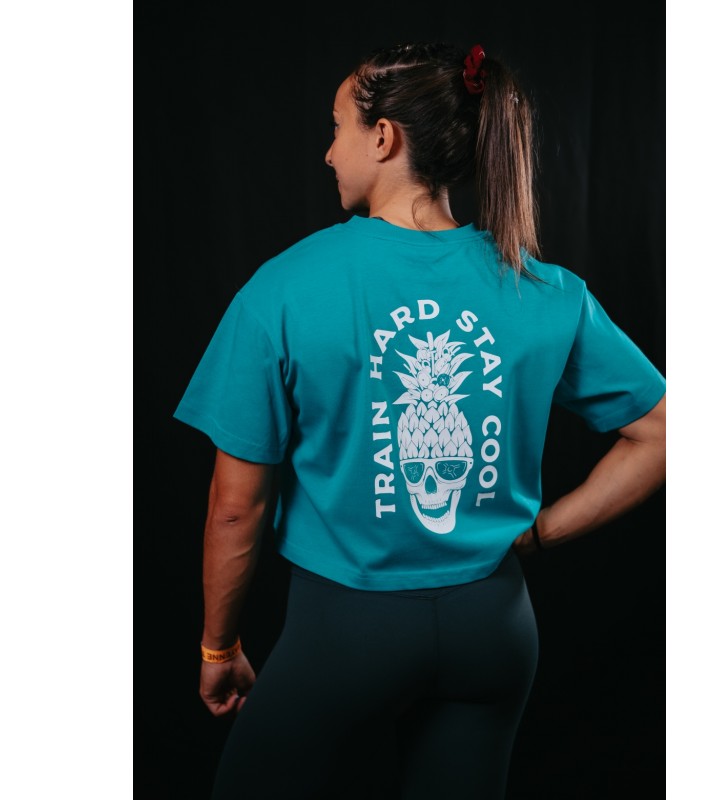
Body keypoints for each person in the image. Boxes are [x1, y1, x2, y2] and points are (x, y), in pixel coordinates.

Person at [174, 41, 666, 799]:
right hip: (494, 625)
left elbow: (236, 508)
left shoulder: (284, 287)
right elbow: (662, 433)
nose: (328, 152)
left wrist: (218, 648)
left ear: (383, 137)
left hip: (343, 630)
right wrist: (539, 533)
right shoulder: (544, 288)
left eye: (337, 126)